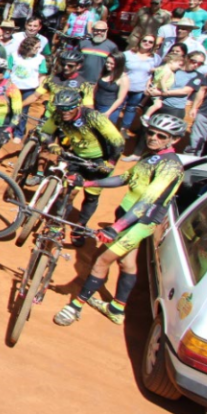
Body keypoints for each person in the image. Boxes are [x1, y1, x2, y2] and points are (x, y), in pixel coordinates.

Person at [53, 114, 185, 327]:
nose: (153, 138)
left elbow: (147, 202)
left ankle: (75, 307)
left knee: (101, 260)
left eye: (161, 136)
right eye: (151, 132)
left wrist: (116, 228)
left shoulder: (171, 167)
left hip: (139, 222)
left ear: (174, 140)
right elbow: (124, 178)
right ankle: (117, 309)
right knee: (127, 263)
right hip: (126, 215)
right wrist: (86, 183)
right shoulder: (151, 156)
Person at [29, 89, 124, 241]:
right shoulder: (57, 115)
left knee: (91, 197)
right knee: (67, 191)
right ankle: (57, 222)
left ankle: (80, 227)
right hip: (77, 156)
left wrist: (110, 163)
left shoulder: (93, 117)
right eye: (60, 108)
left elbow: (118, 141)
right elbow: (45, 132)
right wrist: (52, 144)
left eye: (68, 108)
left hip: (100, 160)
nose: (64, 112)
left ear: (78, 105)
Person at [10, 35, 48, 142]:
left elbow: (42, 74)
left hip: (29, 88)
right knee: (10, 108)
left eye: (39, 47)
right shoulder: (14, 56)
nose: (38, 50)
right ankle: (8, 128)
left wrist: (39, 88)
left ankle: (19, 133)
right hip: (14, 87)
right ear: (27, 47)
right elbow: (8, 70)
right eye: (36, 47)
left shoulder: (40, 59)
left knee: (23, 111)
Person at [36, 50, 95, 116]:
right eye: (63, 64)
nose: (65, 67)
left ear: (78, 66)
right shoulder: (52, 78)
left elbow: (88, 105)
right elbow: (35, 95)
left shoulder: (84, 84)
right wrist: (22, 105)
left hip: (68, 120)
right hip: (50, 116)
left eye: (70, 66)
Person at [95, 53, 129, 126]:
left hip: (108, 109)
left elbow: (120, 99)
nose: (108, 65)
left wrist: (108, 112)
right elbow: (96, 87)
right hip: (97, 106)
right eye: (107, 62)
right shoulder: (105, 72)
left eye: (112, 64)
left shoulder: (123, 78)